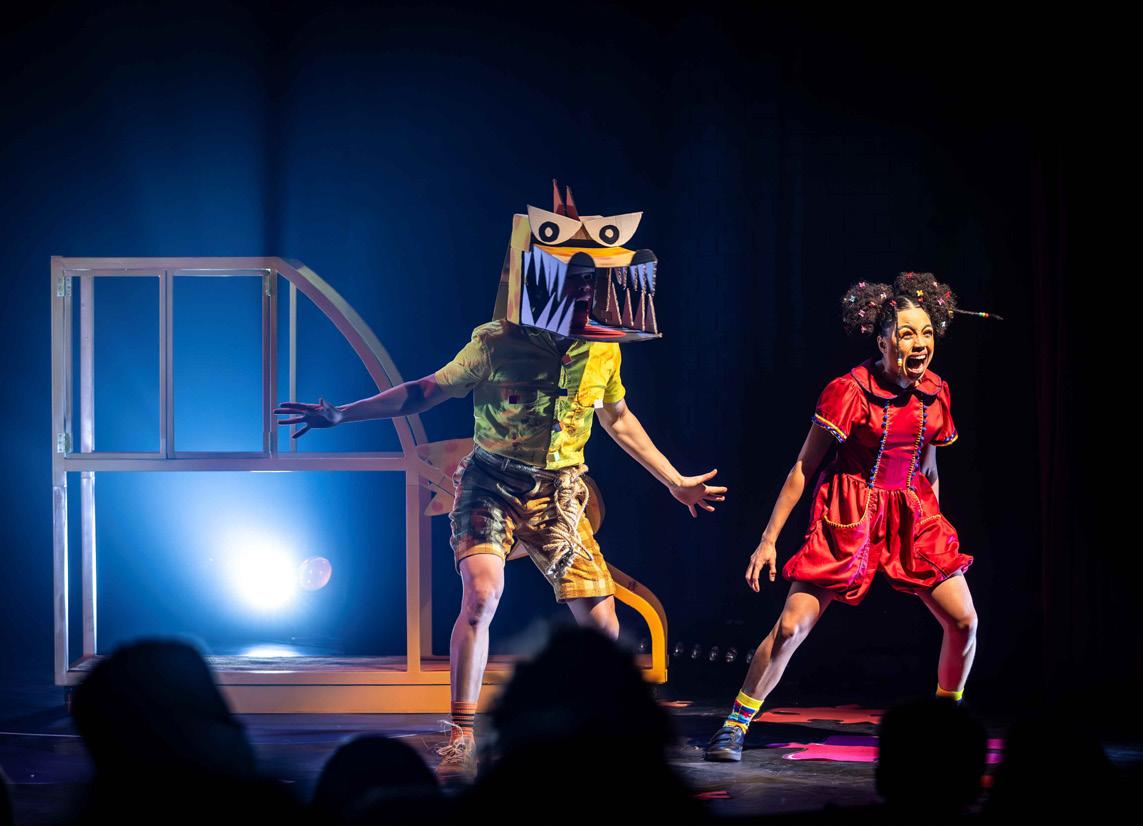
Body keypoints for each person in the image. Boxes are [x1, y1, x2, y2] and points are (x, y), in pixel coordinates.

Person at [277, 186, 726, 780]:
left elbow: (617, 417)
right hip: (491, 482)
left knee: (604, 623)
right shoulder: (496, 341)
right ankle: (461, 732)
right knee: (482, 596)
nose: (585, 291)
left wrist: (674, 481)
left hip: (560, 492)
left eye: (592, 281)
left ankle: (597, 734)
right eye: (574, 278)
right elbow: (426, 390)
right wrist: (343, 414)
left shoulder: (603, 350)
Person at [705, 271, 978, 762]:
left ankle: (944, 723)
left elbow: (929, 467)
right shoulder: (848, 390)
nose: (920, 343)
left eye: (927, 333)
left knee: (964, 621)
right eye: (907, 334)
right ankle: (734, 725)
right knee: (791, 628)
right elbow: (804, 467)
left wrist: (935, 526)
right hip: (849, 512)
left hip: (912, 513)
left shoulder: (937, 391)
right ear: (883, 340)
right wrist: (768, 540)